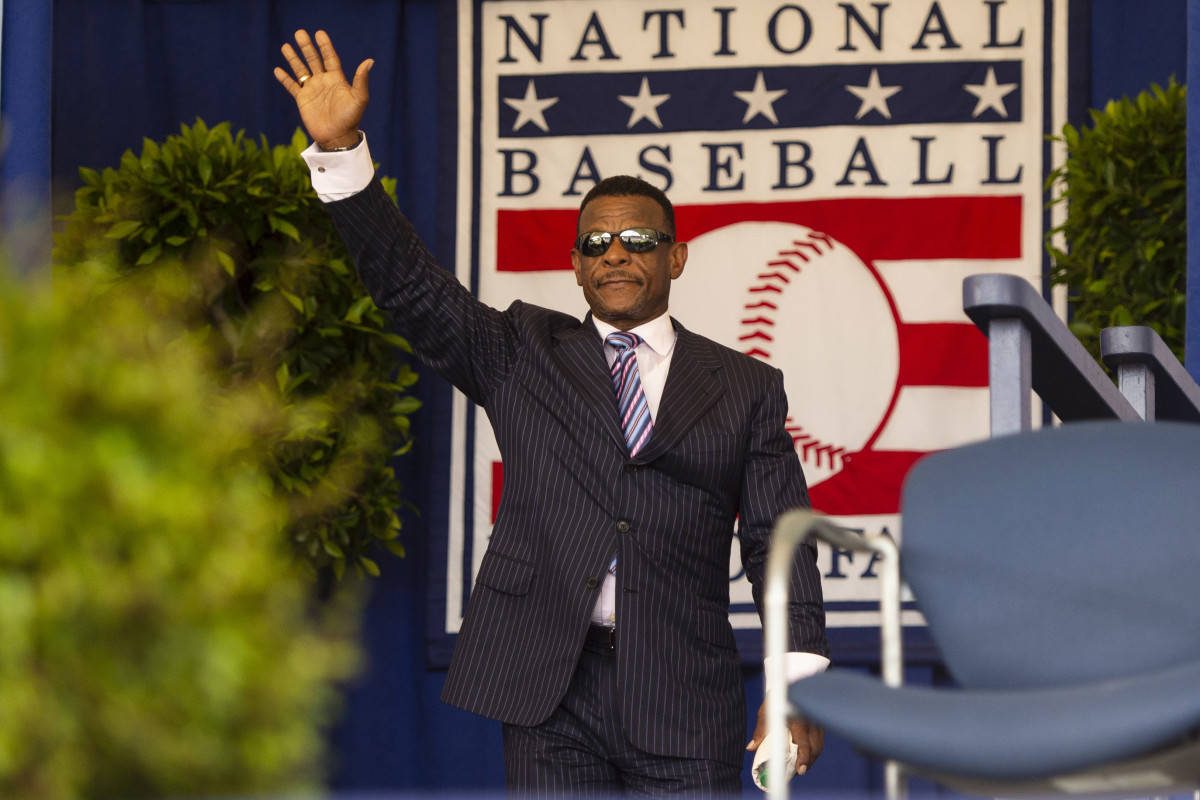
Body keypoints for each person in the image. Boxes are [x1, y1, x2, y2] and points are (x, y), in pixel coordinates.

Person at [275, 29, 829, 796]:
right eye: (595, 241)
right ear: (574, 265)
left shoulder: (744, 387)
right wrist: (342, 157)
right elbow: (409, 288)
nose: (614, 253)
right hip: (551, 687)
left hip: (682, 686)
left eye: (637, 238)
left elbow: (780, 539)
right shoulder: (522, 350)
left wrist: (792, 678)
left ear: (676, 257)